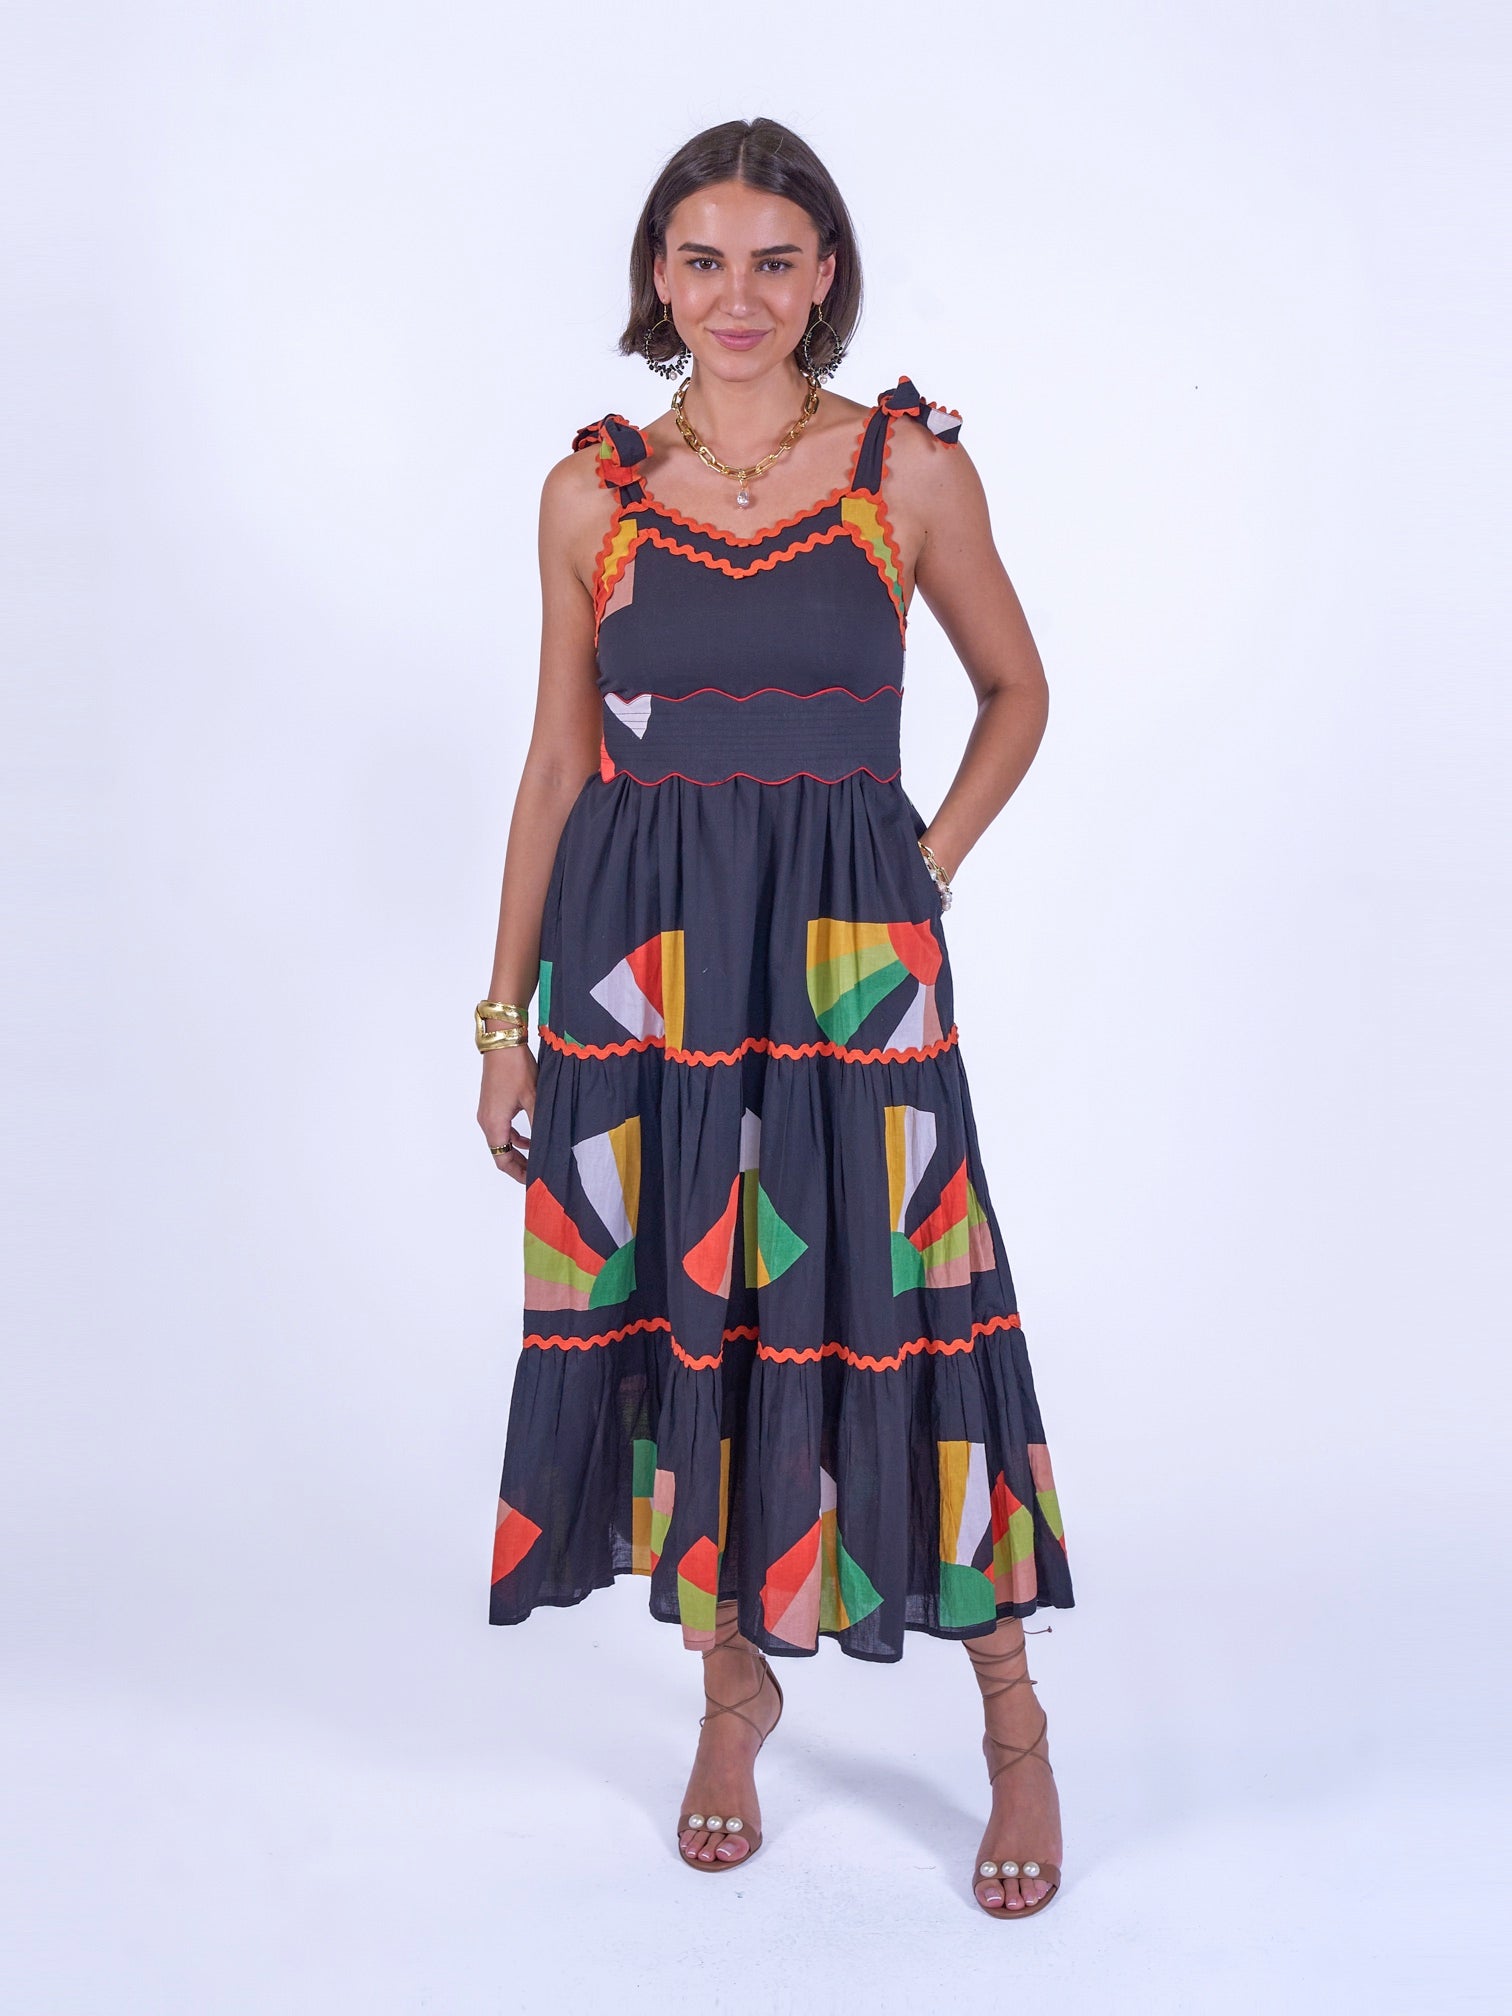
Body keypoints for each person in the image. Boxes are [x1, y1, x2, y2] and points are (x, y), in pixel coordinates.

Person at [476, 117, 1074, 1919]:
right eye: (702, 258)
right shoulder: (594, 494)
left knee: (911, 1292)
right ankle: (730, 1695)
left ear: (825, 276)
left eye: (775, 260)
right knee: (696, 1309)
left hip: (847, 969)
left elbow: (1018, 690)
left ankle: (1013, 1720)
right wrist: (504, 1019)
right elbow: (559, 765)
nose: (737, 294)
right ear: (658, 277)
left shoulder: (907, 472)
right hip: (642, 972)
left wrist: (922, 870)